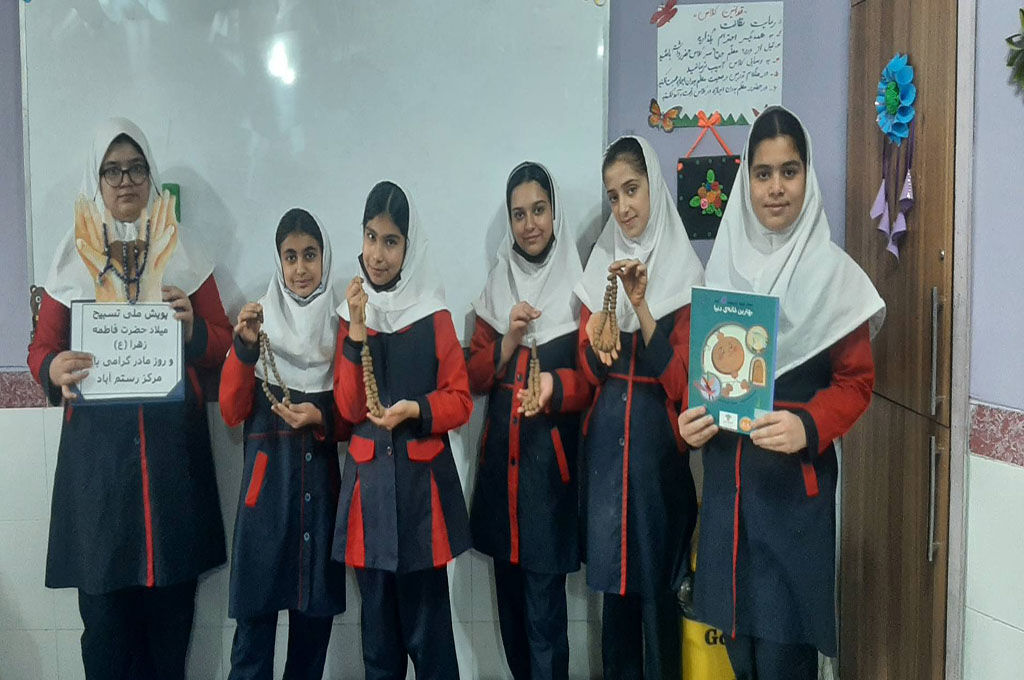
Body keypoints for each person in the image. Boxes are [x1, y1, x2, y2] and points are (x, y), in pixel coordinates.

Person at [678, 106, 885, 680]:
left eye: (789, 172)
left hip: (793, 498)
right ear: (746, 181)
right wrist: (689, 421)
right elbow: (701, 379)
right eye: (762, 173)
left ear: (807, 176)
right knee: (739, 653)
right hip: (728, 497)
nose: (775, 188)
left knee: (784, 656)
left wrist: (807, 425)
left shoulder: (834, 277)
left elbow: (856, 382)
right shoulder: (722, 269)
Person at [27, 118, 230, 679]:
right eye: (112, 171)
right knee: (105, 633)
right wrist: (52, 368)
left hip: (171, 468)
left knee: (170, 629)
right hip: (98, 472)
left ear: (151, 175)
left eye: (136, 168)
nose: (125, 182)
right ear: (96, 180)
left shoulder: (184, 250)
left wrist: (193, 332)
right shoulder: (73, 256)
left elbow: (222, 344)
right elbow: (42, 347)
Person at [573, 136, 704, 679]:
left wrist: (642, 308)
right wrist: (595, 343)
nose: (624, 207)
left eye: (632, 190)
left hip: (657, 463)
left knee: (658, 595)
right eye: (613, 196)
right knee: (616, 598)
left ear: (654, 186)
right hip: (606, 459)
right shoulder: (600, 263)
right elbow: (588, 373)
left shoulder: (686, 273)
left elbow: (682, 386)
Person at [332, 181, 472, 680]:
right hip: (368, 501)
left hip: (421, 504)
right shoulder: (350, 313)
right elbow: (349, 408)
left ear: (409, 247)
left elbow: (461, 401)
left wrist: (417, 409)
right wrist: (355, 329)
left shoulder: (433, 314)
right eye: (370, 237)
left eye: (391, 241)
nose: (377, 254)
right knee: (378, 650)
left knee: (431, 645)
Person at [467, 162, 591, 680]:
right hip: (502, 481)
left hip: (549, 483)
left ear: (554, 213)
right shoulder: (497, 286)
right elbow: (473, 377)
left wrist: (555, 388)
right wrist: (509, 339)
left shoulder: (579, 288)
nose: (529, 224)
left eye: (539, 210)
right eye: (519, 214)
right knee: (512, 618)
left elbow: (591, 381)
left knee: (546, 621)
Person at [219, 208, 347, 679]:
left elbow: (354, 412)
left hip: (320, 502)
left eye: (310, 255)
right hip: (265, 502)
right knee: (251, 648)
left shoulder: (341, 325)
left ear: (324, 258)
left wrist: (322, 418)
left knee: (310, 647)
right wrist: (244, 347)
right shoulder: (258, 323)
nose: (300, 268)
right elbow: (232, 411)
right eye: (290, 257)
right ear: (278, 262)